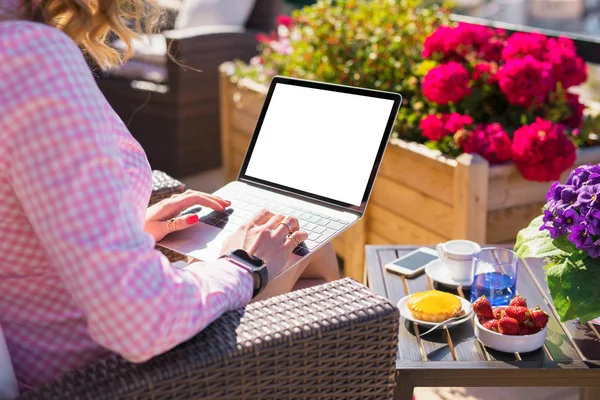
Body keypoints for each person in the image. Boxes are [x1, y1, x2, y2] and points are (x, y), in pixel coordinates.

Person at [0, 0, 339, 391]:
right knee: (305, 248)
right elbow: (138, 322)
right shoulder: (32, 59)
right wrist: (245, 264)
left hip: (41, 341)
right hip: (113, 375)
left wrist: (128, 228)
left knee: (294, 243)